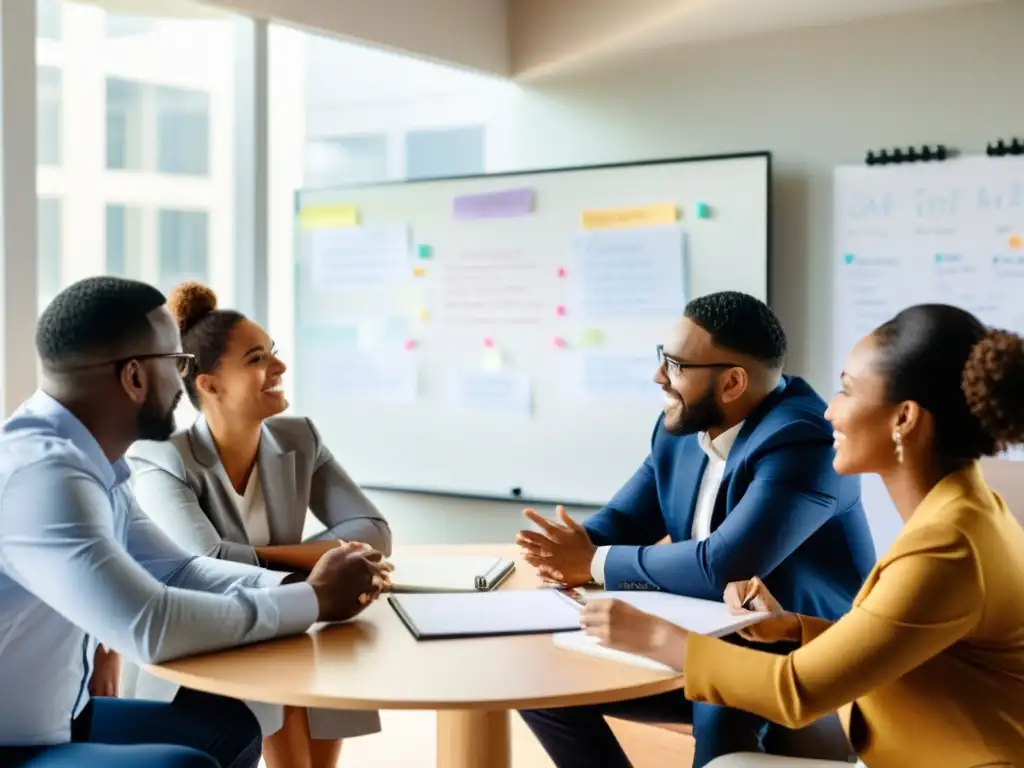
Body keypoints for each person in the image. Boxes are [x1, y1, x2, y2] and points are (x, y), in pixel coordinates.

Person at [579, 304, 1024, 768]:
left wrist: (654, 637)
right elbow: (897, 640)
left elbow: (794, 691)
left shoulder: (947, 547)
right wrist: (794, 627)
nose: (829, 410)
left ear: (904, 419)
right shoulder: (965, 510)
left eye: (846, 391)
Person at [0, 276, 391, 767]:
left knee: (229, 729)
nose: (184, 383)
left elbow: (179, 569)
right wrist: (312, 599)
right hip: (15, 744)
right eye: (178, 364)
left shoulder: (95, 460)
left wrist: (300, 581)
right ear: (135, 378)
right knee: (184, 765)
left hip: (62, 717)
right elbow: (151, 625)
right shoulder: (44, 477)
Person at [516, 291, 876, 768]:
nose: (658, 376)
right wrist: (566, 548)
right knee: (543, 683)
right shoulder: (680, 428)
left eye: (676, 365)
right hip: (697, 636)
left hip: (790, 655)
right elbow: (624, 520)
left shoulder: (805, 439)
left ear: (732, 383)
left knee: (719, 714)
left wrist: (593, 561)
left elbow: (724, 564)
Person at [126, 281, 392, 768]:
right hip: (208, 643)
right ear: (209, 384)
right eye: (255, 359)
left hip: (294, 621)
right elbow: (205, 562)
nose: (279, 367)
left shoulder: (298, 437)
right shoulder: (161, 458)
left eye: (272, 353)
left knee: (326, 655)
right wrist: (326, 565)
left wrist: (305, 567)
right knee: (290, 668)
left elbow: (373, 531)